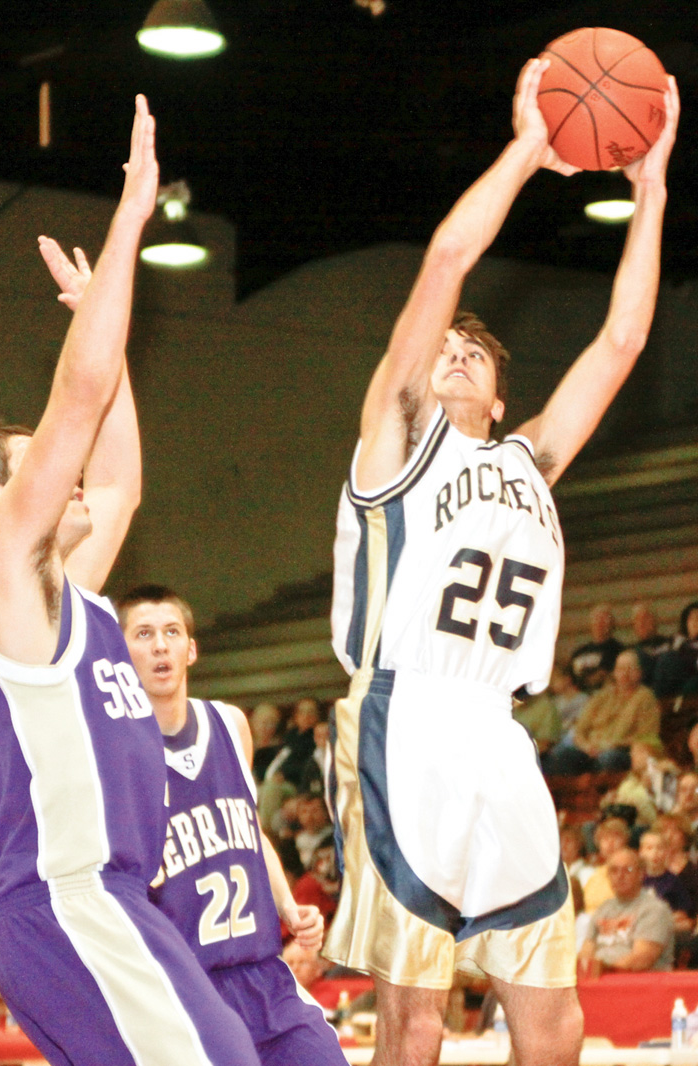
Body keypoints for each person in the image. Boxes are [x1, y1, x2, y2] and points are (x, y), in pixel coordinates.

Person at [326, 55, 679, 1066]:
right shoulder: (396, 441)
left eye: (474, 354)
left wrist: (649, 189)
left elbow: (618, 339)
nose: (452, 351)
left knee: (553, 1016)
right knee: (416, 1016)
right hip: (406, 712)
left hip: (496, 727)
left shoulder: (528, 455)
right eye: (443, 345)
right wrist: (529, 146)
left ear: (495, 393)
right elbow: (443, 260)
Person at [0, 98, 260, 1066]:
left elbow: (116, 476)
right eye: (42, 467)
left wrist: (102, 343)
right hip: (69, 901)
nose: (68, 477)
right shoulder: (4, 577)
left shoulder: (65, 595)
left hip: (112, 900)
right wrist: (130, 217)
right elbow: (74, 401)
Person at [117, 584, 348, 1066]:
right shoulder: (117, 753)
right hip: (188, 990)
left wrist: (288, 905)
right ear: (121, 652)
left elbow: (252, 833)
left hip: (264, 974)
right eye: (143, 633)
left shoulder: (229, 724)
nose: (160, 645)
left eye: (172, 632)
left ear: (191, 649)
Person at [545, 649, 661, 775]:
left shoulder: (646, 697)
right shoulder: (602, 696)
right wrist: (587, 746)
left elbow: (646, 736)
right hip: (590, 749)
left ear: (639, 672)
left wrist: (613, 744)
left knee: (608, 758)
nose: (624, 674)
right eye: (620, 669)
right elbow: (580, 730)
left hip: (620, 750)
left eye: (630, 669)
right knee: (560, 755)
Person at [578, 847, 675, 975]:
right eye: (614, 870)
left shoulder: (655, 909)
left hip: (638, 983)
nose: (620, 876)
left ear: (641, 874)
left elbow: (641, 960)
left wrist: (602, 969)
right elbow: (587, 951)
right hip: (601, 978)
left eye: (627, 870)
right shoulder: (604, 908)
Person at [569, 605, 625, 693]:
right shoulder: (579, 652)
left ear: (612, 624)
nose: (600, 624)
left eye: (604, 620)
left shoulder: (619, 650)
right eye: (597, 620)